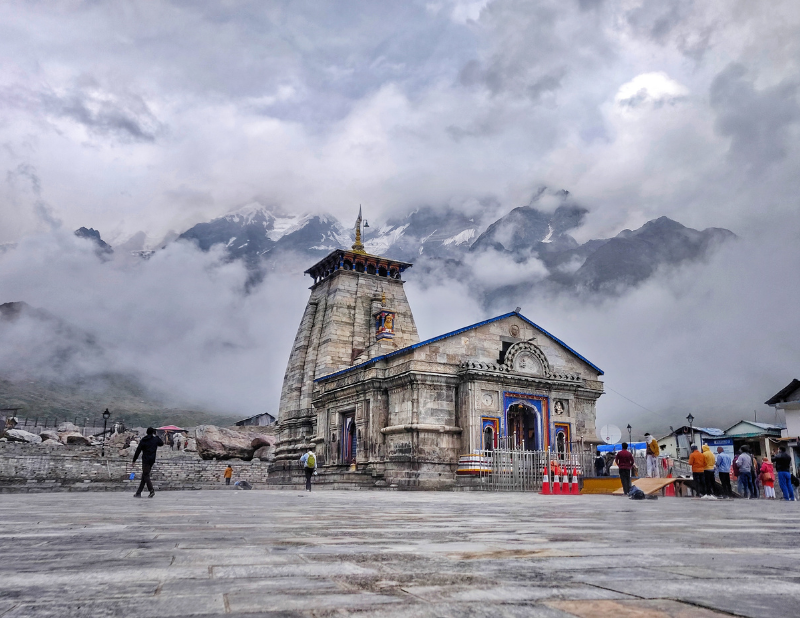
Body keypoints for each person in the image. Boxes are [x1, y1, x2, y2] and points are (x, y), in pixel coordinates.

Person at [132, 427, 164, 498]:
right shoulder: (155, 439)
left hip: (145, 460)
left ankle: (151, 490)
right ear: (153, 432)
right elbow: (161, 443)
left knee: (145, 475)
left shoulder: (144, 440)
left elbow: (138, 450)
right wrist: (157, 436)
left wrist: (134, 460)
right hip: (152, 460)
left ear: (146, 432)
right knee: (145, 475)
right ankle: (138, 493)